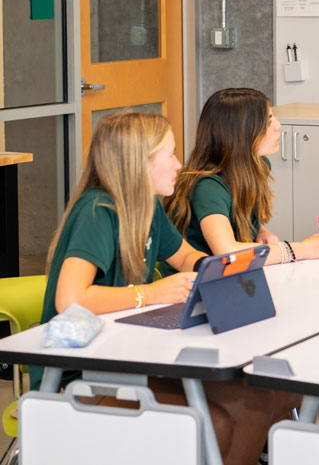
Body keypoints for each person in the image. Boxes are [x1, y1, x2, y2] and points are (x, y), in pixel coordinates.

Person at [31, 111, 297, 465]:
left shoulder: (149, 207)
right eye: (169, 155)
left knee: (264, 400)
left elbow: (186, 255)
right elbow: (71, 298)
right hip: (81, 376)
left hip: (129, 356)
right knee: (213, 422)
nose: (179, 164)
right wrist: (153, 294)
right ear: (137, 164)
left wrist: (216, 272)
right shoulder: (98, 211)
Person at [165, 88, 319, 270]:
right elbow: (226, 251)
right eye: (268, 121)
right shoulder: (208, 187)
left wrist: (259, 231)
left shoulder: (258, 166)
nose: (278, 125)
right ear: (241, 132)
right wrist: (300, 250)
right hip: (195, 287)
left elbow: (237, 221)